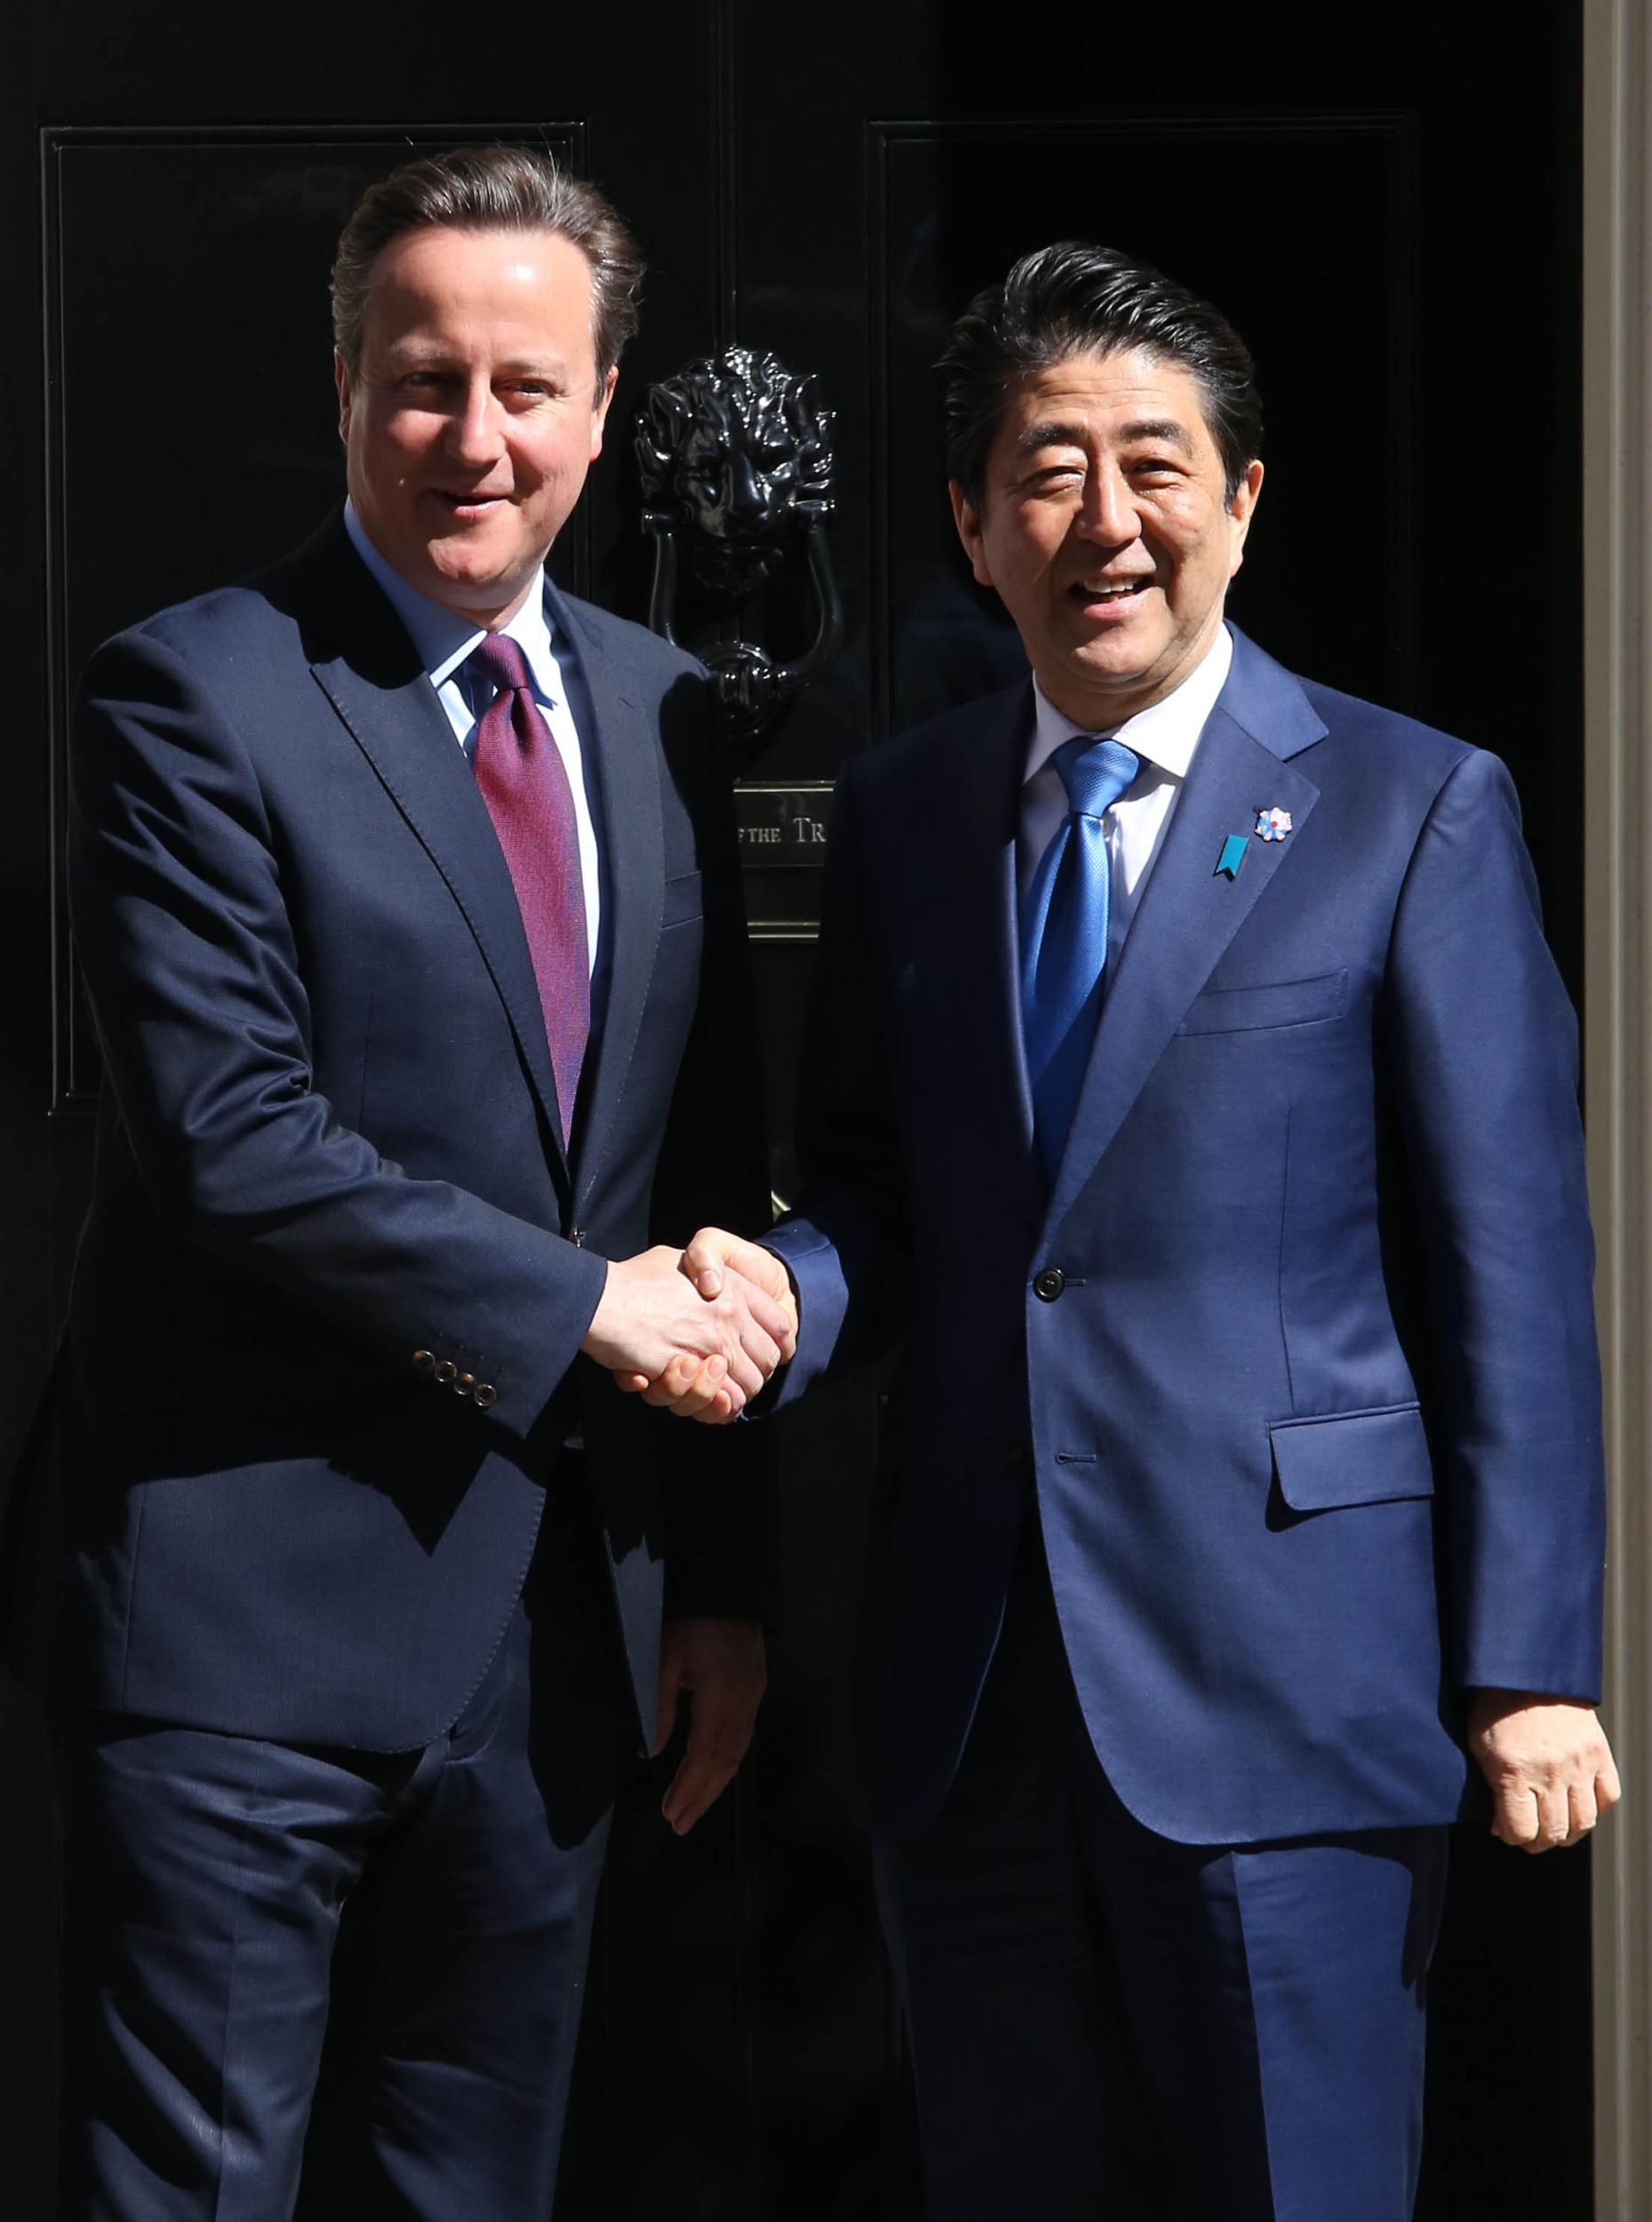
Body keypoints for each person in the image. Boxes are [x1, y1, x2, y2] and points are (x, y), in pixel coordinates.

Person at [643, 242, 1620, 2219]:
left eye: (1156, 466)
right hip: (974, 1700)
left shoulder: (1409, 809)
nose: (1107, 522)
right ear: (971, 524)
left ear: (1245, 503)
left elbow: (1510, 1265)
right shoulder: (905, 816)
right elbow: (881, 1201)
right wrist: (781, 1291)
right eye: (1050, 470)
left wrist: (1530, 1661)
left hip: (1287, 1693)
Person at [4, 145, 794, 2222]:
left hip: (554, 1648)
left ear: (606, 405)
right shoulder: (196, 690)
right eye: (423, 379)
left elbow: (696, 1150)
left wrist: (716, 1569)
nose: (475, 437)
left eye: (527, 387)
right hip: (238, 1637)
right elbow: (231, 1139)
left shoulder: (663, 706)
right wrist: (586, 1307)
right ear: (346, 386)